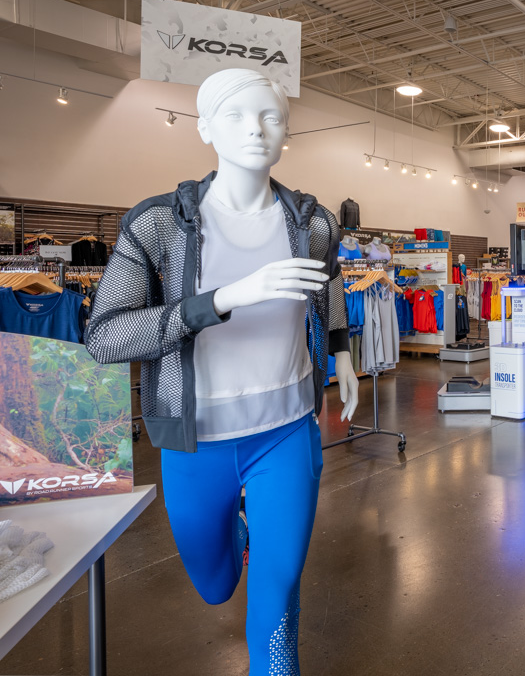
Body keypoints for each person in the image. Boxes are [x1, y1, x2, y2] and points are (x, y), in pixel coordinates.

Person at [86, 68, 359, 675]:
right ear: (205, 128)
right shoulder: (158, 225)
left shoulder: (312, 223)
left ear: (288, 130)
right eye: (235, 116)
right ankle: (239, 533)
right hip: (196, 437)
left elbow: (331, 282)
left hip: (287, 431)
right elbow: (105, 337)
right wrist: (222, 298)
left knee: (280, 587)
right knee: (214, 586)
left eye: (270, 116)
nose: (256, 130)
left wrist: (341, 352)